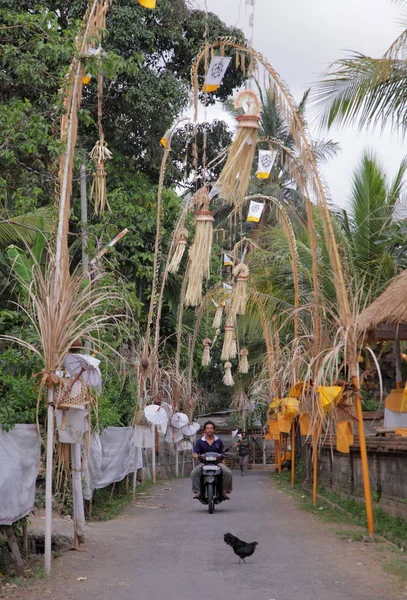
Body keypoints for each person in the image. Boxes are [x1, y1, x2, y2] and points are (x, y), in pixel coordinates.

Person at [191, 421, 233, 499]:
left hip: (217, 463)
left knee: (228, 473)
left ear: (214, 430)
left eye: (211, 428)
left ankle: (224, 491)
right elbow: (195, 453)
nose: (209, 430)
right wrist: (197, 456)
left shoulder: (218, 441)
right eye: (207, 428)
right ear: (204, 430)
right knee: (193, 473)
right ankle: (198, 491)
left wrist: (223, 464)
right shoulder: (200, 442)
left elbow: (222, 454)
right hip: (204, 463)